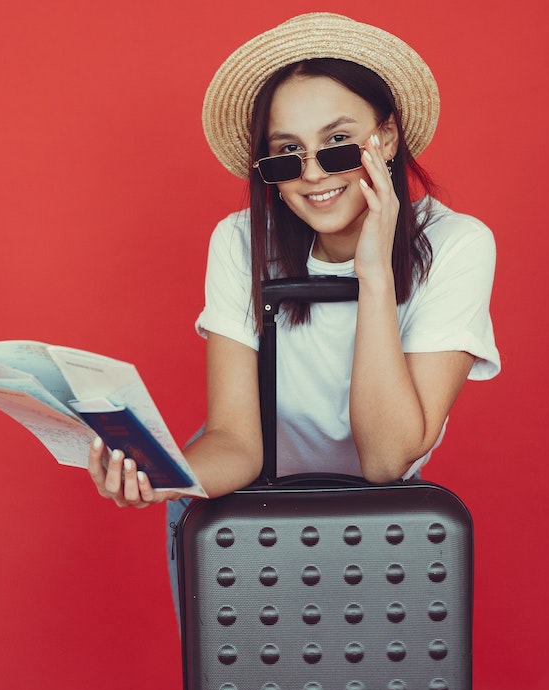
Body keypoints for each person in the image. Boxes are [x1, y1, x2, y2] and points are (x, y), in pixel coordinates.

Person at [86, 12, 500, 613]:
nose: (311, 174)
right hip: (240, 510)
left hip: (378, 517)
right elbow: (235, 439)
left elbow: (387, 460)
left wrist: (375, 273)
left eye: (336, 145)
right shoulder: (240, 242)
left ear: (384, 139)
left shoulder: (458, 245)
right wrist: (160, 476)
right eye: (286, 154)